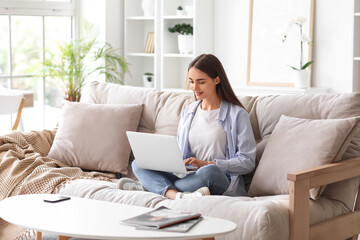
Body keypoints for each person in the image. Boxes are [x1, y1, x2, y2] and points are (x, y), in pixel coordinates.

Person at [118, 54, 256, 200]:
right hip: (187, 176)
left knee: (209, 171)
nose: (194, 88)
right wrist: (169, 161)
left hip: (218, 178)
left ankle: (150, 187)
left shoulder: (237, 115)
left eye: (201, 82)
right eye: (191, 81)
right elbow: (180, 153)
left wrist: (208, 163)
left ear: (217, 79)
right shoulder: (189, 111)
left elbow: (247, 161)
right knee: (138, 164)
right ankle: (176, 195)